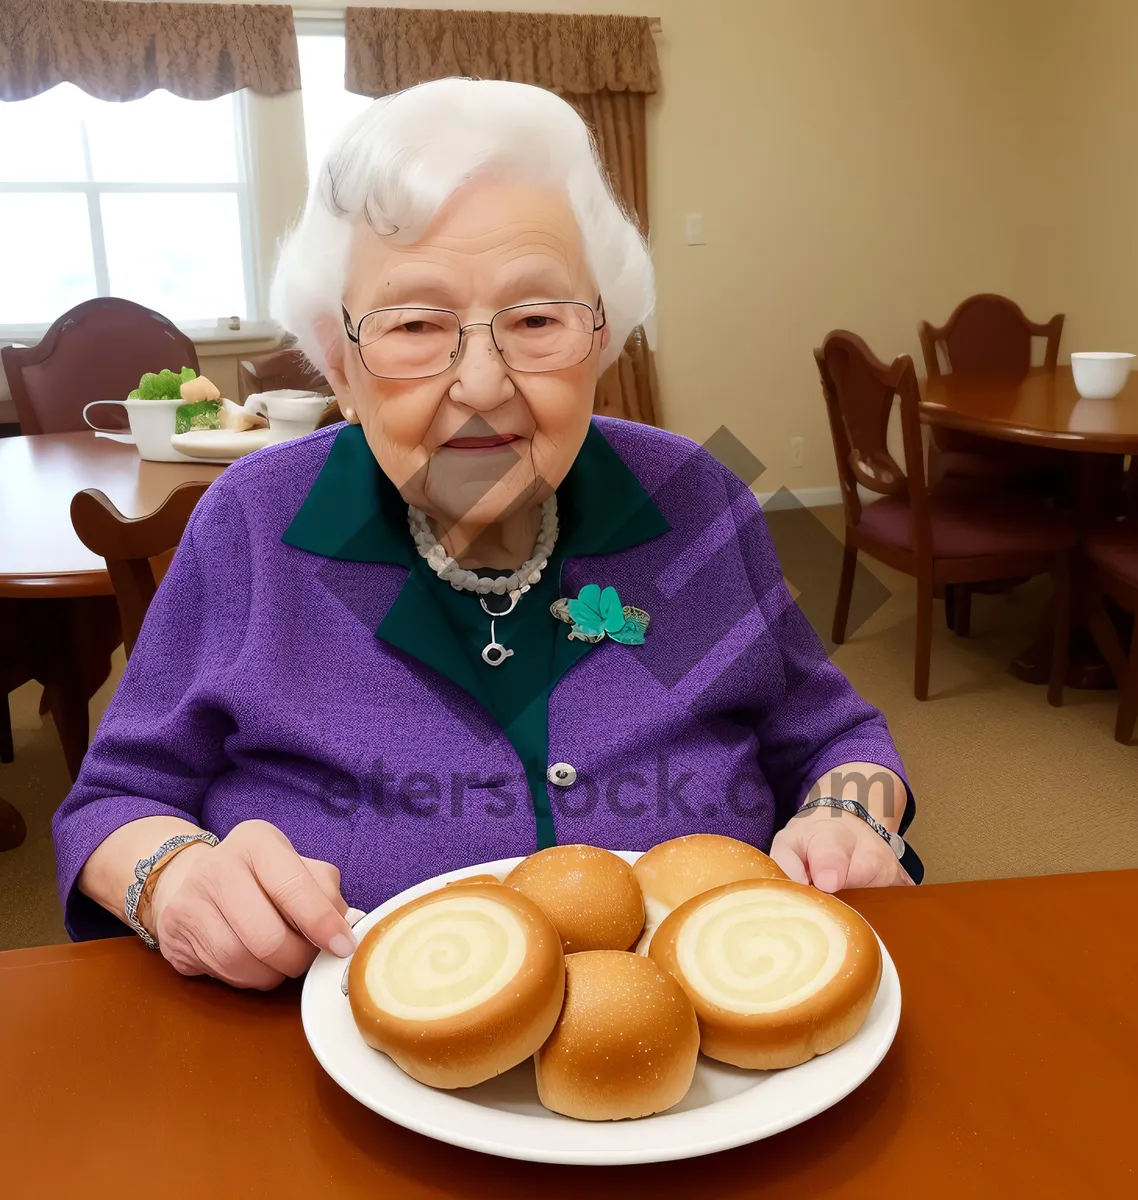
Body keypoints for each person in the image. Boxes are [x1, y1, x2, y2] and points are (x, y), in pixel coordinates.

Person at [52, 78, 920, 991]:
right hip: (332, 1074)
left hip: (713, 1058)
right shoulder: (255, 522)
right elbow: (113, 804)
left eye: (538, 320)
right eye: (417, 325)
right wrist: (173, 878)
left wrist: (852, 813)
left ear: (603, 345)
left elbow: (839, 740)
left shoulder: (695, 498)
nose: (480, 382)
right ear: (340, 361)